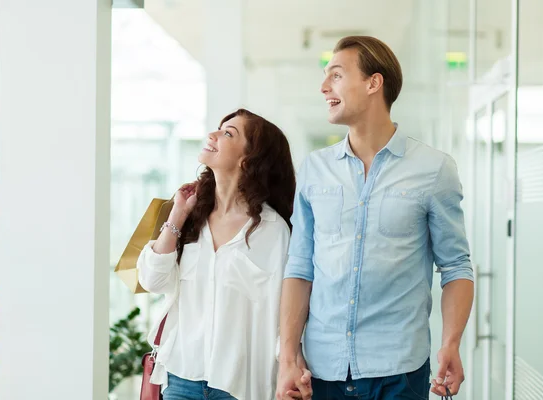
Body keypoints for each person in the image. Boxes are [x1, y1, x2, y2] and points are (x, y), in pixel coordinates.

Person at [276, 36, 475, 400]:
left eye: (336, 76)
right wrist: (287, 355)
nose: (324, 88)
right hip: (323, 370)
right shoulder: (314, 170)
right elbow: (300, 266)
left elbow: (456, 266)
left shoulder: (433, 169)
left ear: (373, 83)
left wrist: (451, 342)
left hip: (399, 372)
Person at [137, 109, 306, 400]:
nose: (213, 135)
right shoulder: (189, 215)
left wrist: (287, 369)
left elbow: (283, 313)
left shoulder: (273, 231)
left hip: (240, 386)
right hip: (181, 377)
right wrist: (177, 215)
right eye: (218, 128)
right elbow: (152, 281)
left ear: (248, 159)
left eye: (228, 133)